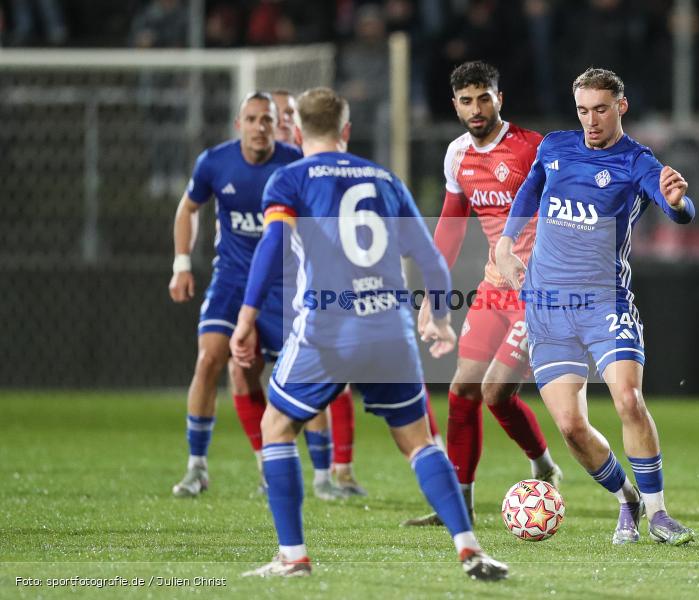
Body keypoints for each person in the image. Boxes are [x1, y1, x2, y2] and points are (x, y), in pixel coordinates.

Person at [231, 87, 507, 579]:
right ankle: (470, 549)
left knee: (276, 427)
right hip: (391, 330)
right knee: (420, 441)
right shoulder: (384, 179)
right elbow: (429, 260)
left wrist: (247, 317)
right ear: (347, 132)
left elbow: (271, 249)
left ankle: (293, 556)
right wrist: (439, 316)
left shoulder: (289, 178)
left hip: (328, 330)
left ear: (296, 132)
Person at [495, 68, 695, 546]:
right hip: (547, 306)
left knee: (628, 399)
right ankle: (625, 498)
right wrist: (506, 241)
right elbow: (531, 188)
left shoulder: (637, 162)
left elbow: (676, 209)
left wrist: (679, 203)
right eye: (583, 110)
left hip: (605, 302)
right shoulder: (556, 147)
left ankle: (658, 513)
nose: (591, 120)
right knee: (569, 426)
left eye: (601, 109)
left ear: (620, 106)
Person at [405, 61, 561, 527]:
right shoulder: (456, 155)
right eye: (467, 100)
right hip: (494, 288)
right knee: (461, 391)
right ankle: (459, 506)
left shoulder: (532, 149)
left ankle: (542, 463)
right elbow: (451, 228)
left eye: (484, 98)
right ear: (454, 105)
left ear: (500, 98)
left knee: (496, 393)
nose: (477, 108)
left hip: (538, 293)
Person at [168, 91, 346, 501]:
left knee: (306, 371)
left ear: (275, 124)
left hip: (285, 285)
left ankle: (322, 477)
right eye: (251, 119)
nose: (259, 127)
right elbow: (187, 208)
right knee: (212, 359)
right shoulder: (215, 161)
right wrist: (181, 264)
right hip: (231, 280)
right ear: (239, 124)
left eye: (266, 119)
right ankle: (199, 468)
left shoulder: (293, 163)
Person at [271, 89, 362, 498]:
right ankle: (290, 468)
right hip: (287, 287)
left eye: (288, 114)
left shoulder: (313, 169)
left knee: (328, 381)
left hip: (316, 291)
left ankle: (333, 472)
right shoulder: (283, 169)